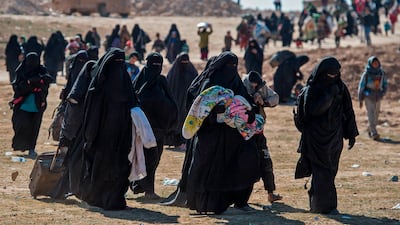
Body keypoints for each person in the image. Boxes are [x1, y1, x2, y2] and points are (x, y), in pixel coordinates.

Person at [184, 52, 261, 214]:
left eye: (234, 66)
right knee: (210, 168)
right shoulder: (209, 83)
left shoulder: (237, 83)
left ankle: (240, 201)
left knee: (241, 164)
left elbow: (245, 101)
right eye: (228, 66)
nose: (231, 69)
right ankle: (204, 205)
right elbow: (198, 109)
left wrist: (251, 111)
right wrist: (215, 112)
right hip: (211, 135)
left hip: (234, 136)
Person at [68, 48, 138, 210]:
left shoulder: (124, 82)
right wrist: (90, 136)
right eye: (116, 63)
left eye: (121, 63)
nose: (118, 67)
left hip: (120, 136)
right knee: (100, 167)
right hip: (101, 137)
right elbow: (92, 112)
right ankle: (97, 198)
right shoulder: (99, 84)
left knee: (119, 167)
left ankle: (115, 199)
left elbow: (134, 105)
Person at [293, 56, 358, 214]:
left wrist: (351, 133)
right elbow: (312, 111)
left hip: (334, 138)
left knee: (330, 171)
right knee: (322, 172)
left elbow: (348, 111)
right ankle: (326, 207)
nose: (333, 77)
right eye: (330, 74)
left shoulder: (340, 87)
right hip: (316, 138)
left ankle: (316, 200)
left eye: (336, 74)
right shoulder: (312, 89)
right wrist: (328, 97)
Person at [132, 52, 178, 199]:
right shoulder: (139, 80)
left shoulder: (162, 81)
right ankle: (148, 190)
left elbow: (171, 102)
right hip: (141, 128)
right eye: (153, 64)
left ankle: (142, 186)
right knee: (144, 158)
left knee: (155, 158)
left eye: (159, 65)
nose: (156, 68)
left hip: (159, 128)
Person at [242, 71, 282, 204]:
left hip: (259, 134)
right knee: (246, 166)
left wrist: (263, 102)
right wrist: (251, 101)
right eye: (252, 86)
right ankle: (241, 198)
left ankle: (271, 193)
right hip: (244, 136)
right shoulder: (241, 88)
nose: (255, 88)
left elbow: (275, 98)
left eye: (256, 86)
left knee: (266, 162)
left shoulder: (260, 87)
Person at [10, 52, 53, 158]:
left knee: (34, 127)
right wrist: (30, 84)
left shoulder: (42, 70)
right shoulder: (21, 70)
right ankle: (22, 145)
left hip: (38, 103)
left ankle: (31, 148)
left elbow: (47, 81)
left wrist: (35, 82)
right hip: (22, 104)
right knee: (21, 124)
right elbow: (17, 86)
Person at [165, 52, 198, 150]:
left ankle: (185, 141)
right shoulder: (173, 74)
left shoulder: (191, 72)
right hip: (175, 103)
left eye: (186, 61)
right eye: (182, 61)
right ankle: (176, 141)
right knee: (176, 122)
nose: (185, 63)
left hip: (188, 103)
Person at [358, 56, 388, 140]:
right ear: (370, 64)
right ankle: (374, 133)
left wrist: (383, 93)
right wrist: (360, 99)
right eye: (373, 63)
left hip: (378, 96)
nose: (375, 64)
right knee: (370, 114)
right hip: (368, 96)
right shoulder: (366, 74)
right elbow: (361, 86)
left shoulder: (381, 73)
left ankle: (370, 129)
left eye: (376, 63)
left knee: (376, 114)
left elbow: (385, 84)